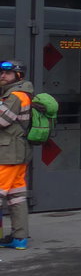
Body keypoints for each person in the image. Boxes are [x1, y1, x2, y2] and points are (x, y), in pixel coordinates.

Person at [0, 59, 34, 250]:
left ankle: (19, 238)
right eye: (2, 73)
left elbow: (2, 121)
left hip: (8, 153)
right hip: (16, 152)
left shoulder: (16, 96)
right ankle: (19, 238)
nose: (2, 76)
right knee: (17, 197)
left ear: (18, 75)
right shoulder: (16, 94)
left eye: (8, 73)